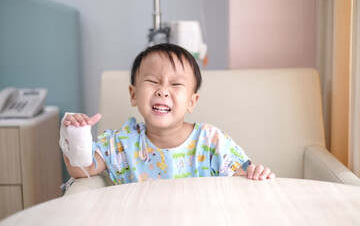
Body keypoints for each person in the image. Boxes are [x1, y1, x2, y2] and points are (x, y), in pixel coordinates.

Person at [61, 43, 275, 185]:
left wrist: (255, 176)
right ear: (133, 94)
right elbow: (82, 169)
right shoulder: (123, 142)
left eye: (175, 84)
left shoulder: (211, 142)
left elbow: (241, 184)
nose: (163, 90)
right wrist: (76, 134)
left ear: (192, 102)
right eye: (153, 81)